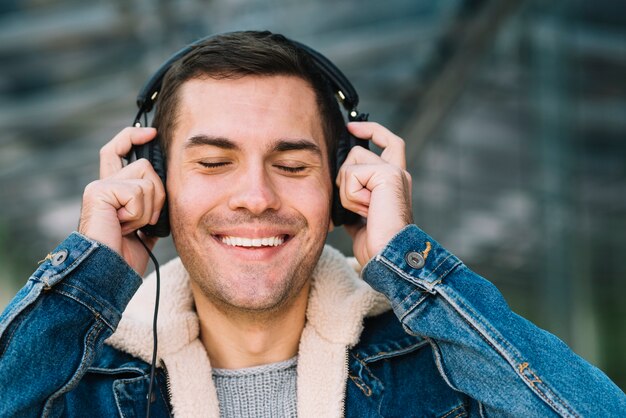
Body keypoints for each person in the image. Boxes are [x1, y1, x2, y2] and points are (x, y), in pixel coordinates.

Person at [0, 31, 624, 418]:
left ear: (342, 191)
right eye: (215, 162)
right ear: (156, 185)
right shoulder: (73, 381)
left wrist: (409, 263)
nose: (254, 196)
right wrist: (87, 278)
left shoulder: (443, 367)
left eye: (292, 164)